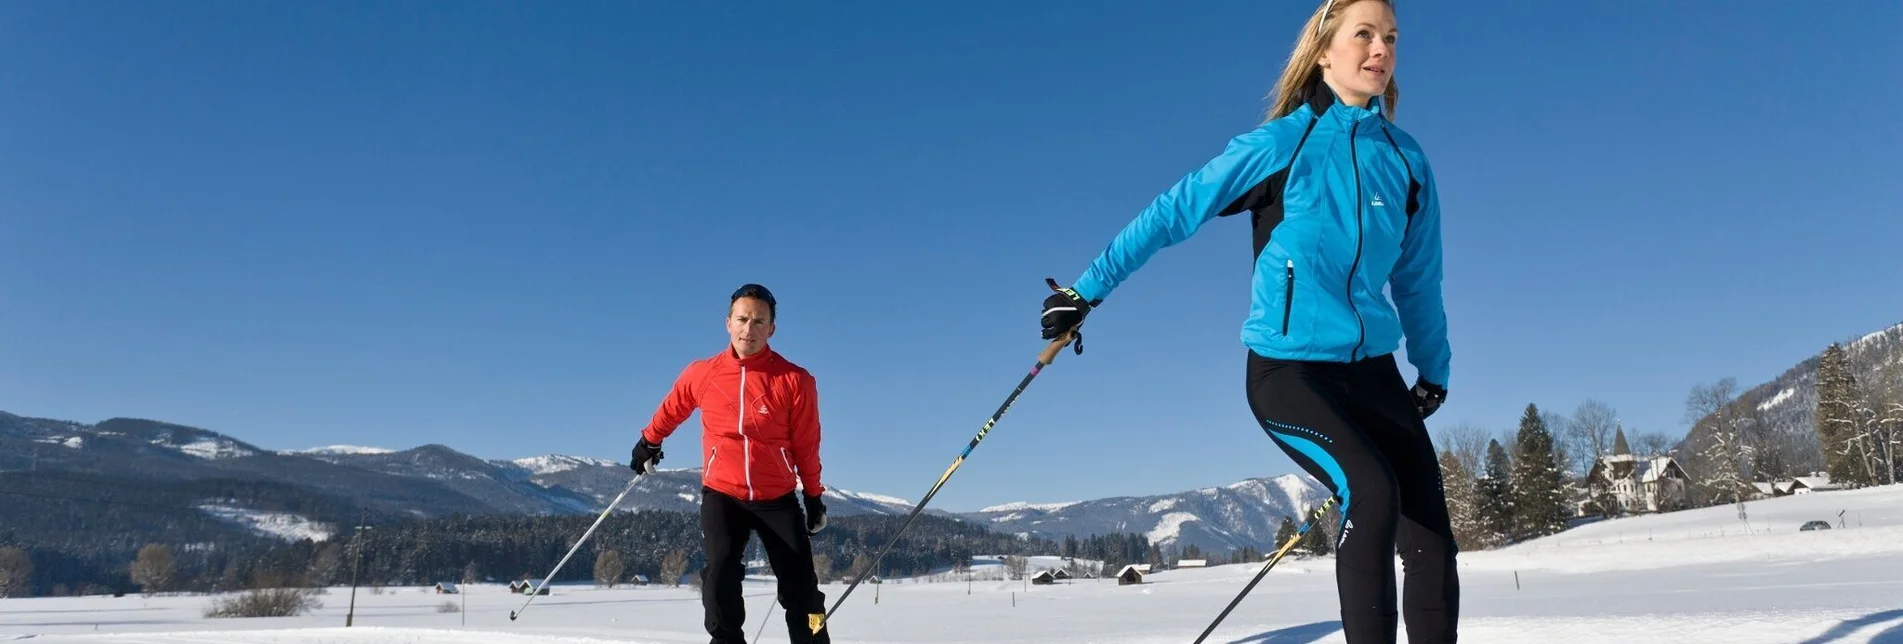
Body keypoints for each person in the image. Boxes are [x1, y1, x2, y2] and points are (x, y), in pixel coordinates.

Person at [1036, 1, 1457, 642]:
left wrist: (1432, 370)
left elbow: (1418, 280)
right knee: (1371, 495)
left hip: (1375, 374)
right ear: (1323, 51)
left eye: (1391, 37)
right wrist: (1085, 291)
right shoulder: (1279, 145)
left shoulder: (1405, 161)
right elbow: (1171, 213)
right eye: (1364, 34)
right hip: (1290, 373)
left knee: (1430, 538)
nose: (1381, 49)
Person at [630, 283, 833, 644]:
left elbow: (806, 444)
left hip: (777, 496)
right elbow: (673, 408)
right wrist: (650, 440)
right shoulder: (702, 373)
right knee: (719, 578)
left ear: (772, 329)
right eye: (742, 319)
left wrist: (814, 497)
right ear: (727, 323)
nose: (748, 329)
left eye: (758, 321)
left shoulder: (795, 380)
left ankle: (815, 639)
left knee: (804, 590)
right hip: (723, 494)